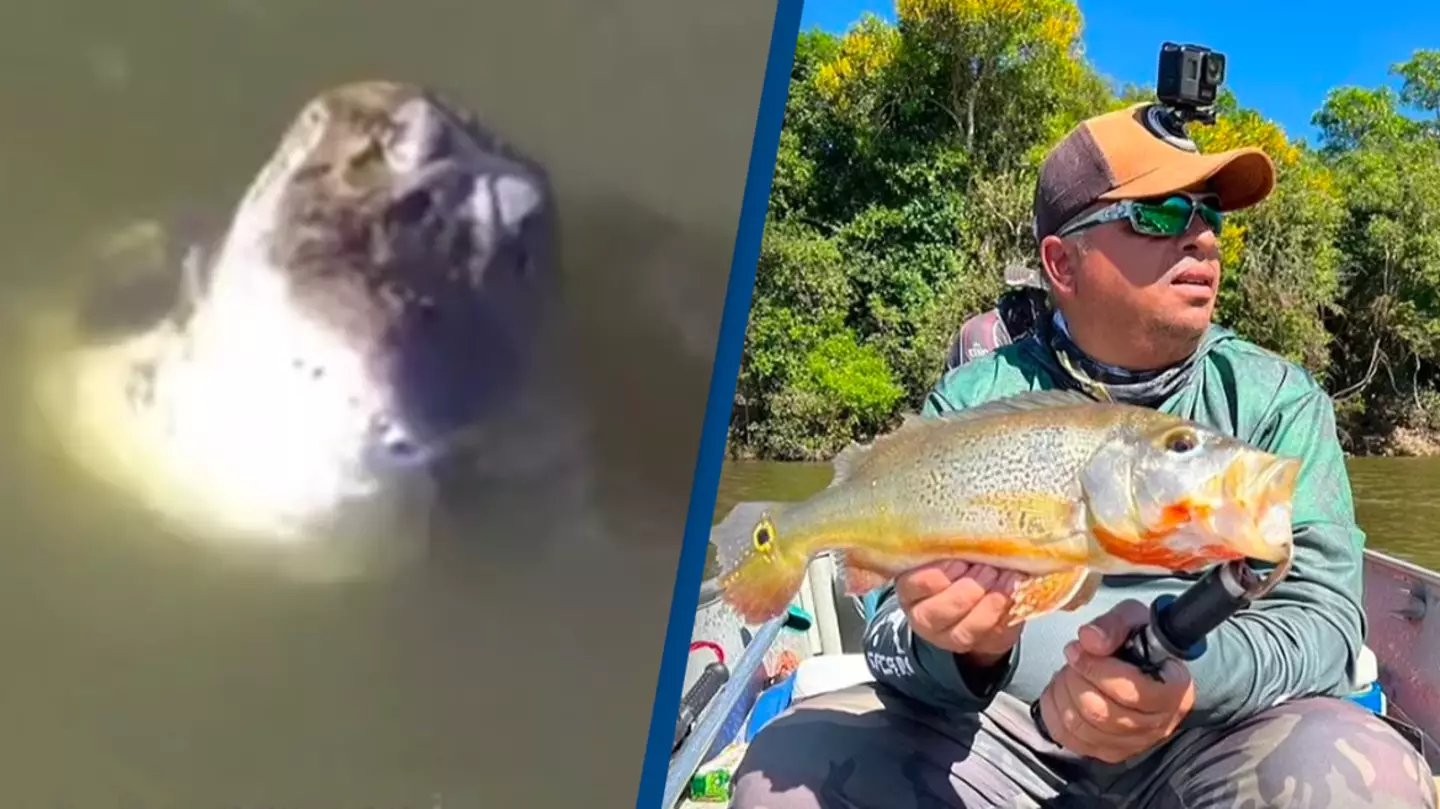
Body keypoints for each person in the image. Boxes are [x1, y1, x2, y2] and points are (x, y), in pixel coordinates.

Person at [728, 103, 1438, 809]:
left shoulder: (1275, 401)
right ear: (1062, 263)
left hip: (1213, 739)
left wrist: (1189, 679)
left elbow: (1327, 621)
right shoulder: (970, 401)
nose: (1202, 238)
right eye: (1159, 214)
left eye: (1210, 213)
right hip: (995, 741)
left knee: (1369, 780)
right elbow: (888, 633)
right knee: (786, 775)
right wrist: (963, 650)